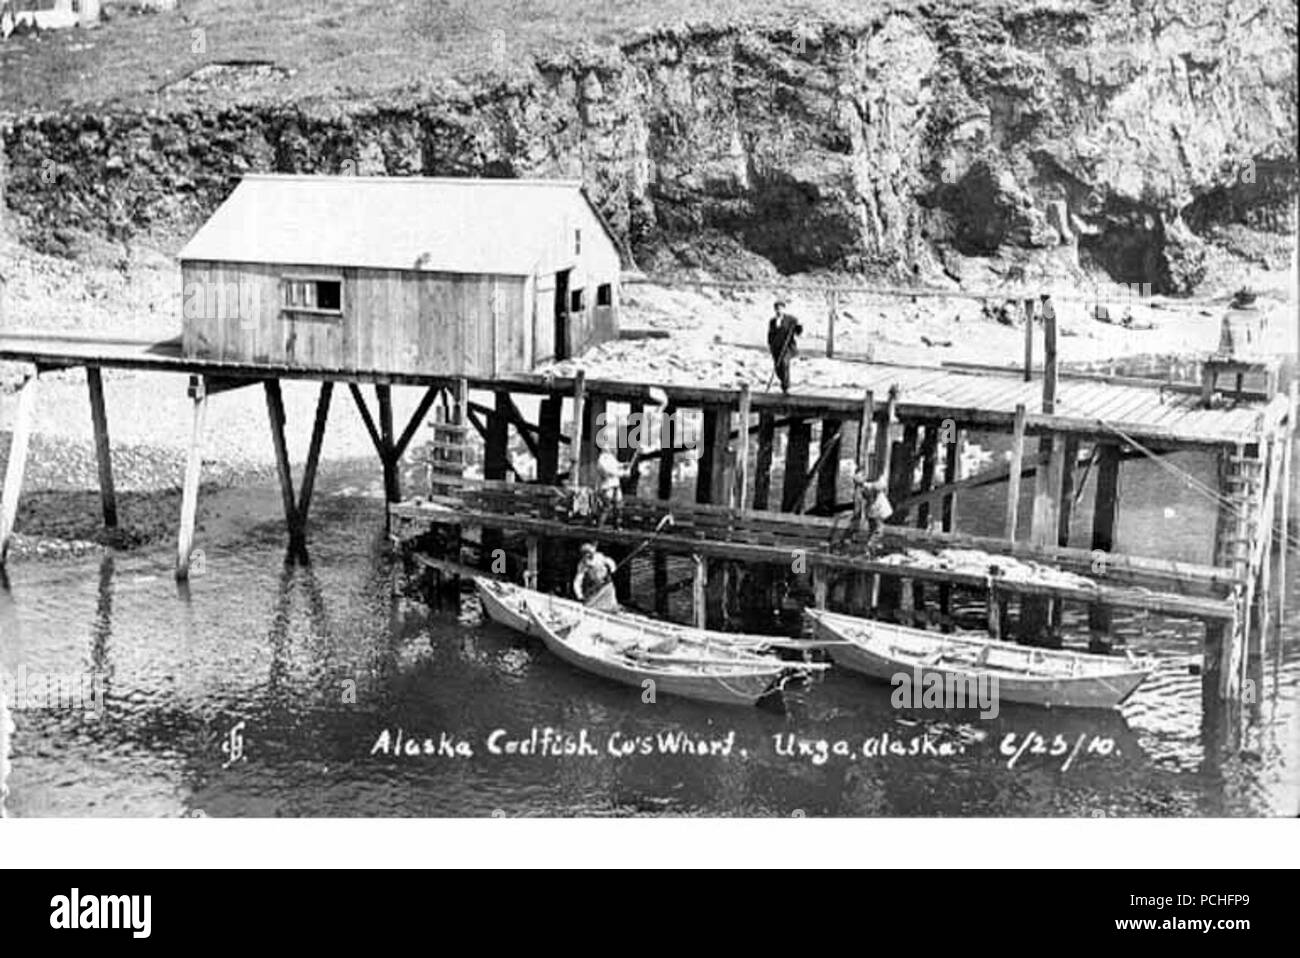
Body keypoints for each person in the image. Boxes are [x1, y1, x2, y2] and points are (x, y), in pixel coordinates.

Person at [851, 469, 894, 553]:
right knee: (879, 530)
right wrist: (882, 477)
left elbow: (858, 507)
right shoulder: (869, 487)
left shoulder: (860, 490)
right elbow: (880, 486)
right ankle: (869, 547)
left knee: (873, 531)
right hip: (876, 512)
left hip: (871, 512)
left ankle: (871, 551)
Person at [766, 298, 803, 393]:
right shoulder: (772, 321)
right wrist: (770, 345)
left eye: (780, 308)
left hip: (787, 347)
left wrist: (799, 326)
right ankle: (783, 382)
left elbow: (798, 332)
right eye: (777, 309)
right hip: (776, 348)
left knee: (784, 363)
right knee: (778, 368)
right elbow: (770, 334)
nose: (779, 311)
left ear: (784, 309)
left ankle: (786, 386)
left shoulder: (791, 319)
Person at [595, 436, 631, 528]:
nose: (608, 446)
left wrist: (623, 465)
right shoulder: (601, 460)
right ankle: (600, 528)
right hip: (607, 487)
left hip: (616, 485)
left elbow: (616, 465)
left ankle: (617, 526)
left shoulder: (610, 457)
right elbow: (609, 472)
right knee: (606, 508)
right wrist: (623, 474)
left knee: (618, 507)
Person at [573, 542, 619, 611]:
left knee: (610, 603)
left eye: (589, 553)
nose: (588, 555)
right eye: (585, 553)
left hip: (606, 584)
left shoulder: (600, 557)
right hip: (596, 587)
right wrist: (579, 595)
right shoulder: (583, 564)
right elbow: (578, 581)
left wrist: (612, 570)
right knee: (593, 604)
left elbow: (610, 562)